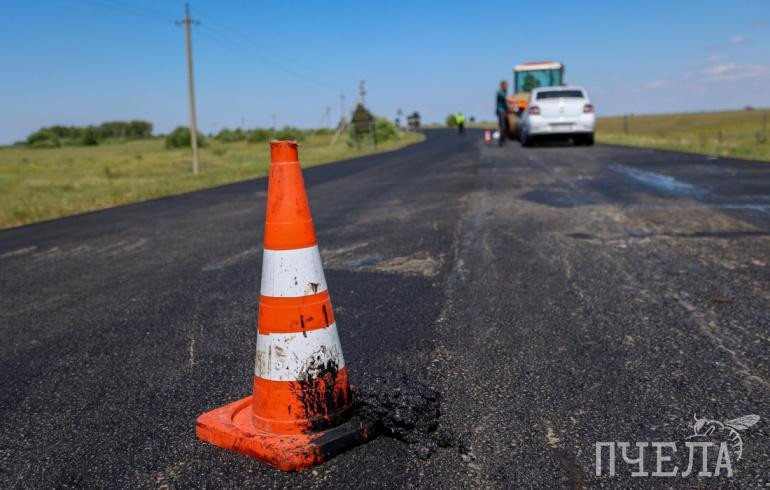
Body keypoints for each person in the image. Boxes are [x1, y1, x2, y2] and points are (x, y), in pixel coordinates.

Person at [496, 80, 509, 146]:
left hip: (505, 110)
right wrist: (518, 101)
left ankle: (504, 139)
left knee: (506, 126)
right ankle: (501, 140)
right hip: (501, 111)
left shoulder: (505, 92)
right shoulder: (500, 92)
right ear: (502, 86)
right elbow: (507, 99)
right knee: (503, 126)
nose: (507, 87)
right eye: (506, 85)